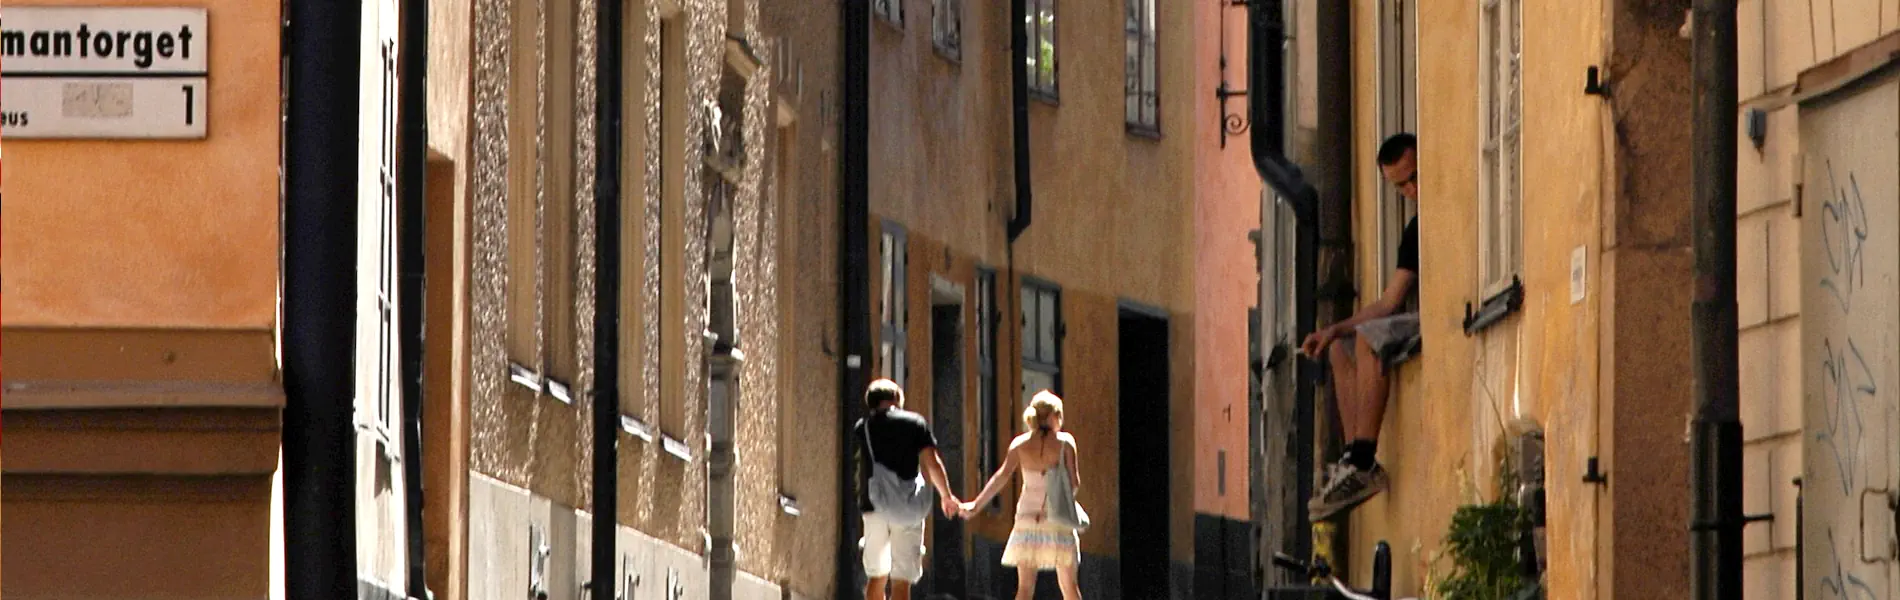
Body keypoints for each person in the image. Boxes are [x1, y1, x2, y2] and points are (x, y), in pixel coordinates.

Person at [1299, 132, 1424, 522]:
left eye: (1413, 178)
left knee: (1369, 341)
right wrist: (1334, 330)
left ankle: (1365, 459)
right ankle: (1354, 457)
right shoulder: (1414, 231)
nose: (1410, 190)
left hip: (1444, 314)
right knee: (1342, 348)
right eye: (1399, 185)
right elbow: (1389, 301)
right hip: (1412, 316)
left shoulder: (1442, 208)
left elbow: (1389, 311)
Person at [960, 390, 1085, 600]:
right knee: (1069, 587)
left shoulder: (1020, 444)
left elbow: (1001, 477)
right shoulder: (1065, 443)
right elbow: (1075, 483)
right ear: (1054, 415)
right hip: (1058, 519)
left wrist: (975, 505)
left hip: (1026, 518)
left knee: (1025, 588)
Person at [855, 378, 962, 600]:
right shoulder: (914, 423)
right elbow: (932, 463)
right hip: (907, 507)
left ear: (871, 402)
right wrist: (946, 496)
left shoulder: (863, 428)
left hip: (874, 506)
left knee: (876, 576)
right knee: (901, 579)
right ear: (896, 399)